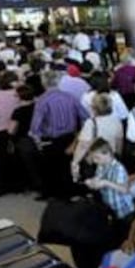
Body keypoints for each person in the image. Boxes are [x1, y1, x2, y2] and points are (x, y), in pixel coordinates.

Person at [30, 70, 89, 199]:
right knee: (68, 168)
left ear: (43, 83)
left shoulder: (42, 101)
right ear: (58, 81)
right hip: (71, 138)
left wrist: (37, 141)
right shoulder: (70, 97)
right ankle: (70, 193)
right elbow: (86, 117)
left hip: (51, 141)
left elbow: (35, 127)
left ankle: (55, 196)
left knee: (52, 170)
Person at [85, 138, 135, 232]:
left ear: (107, 154)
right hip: (111, 209)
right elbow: (98, 178)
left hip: (124, 212)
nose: (95, 161)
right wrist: (92, 182)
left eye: (97, 157)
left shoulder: (119, 168)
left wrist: (106, 183)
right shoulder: (101, 165)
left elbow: (125, 189)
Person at [71, 94, 124, 181]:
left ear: (94, 108)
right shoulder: (117, 121)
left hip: (95, 161)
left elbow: (83, 146)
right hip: (110, 158)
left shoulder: (91, 123)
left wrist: (75, 162)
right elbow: (119, 144)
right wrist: (117, 159)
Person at [8, 85, 42, 192]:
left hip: (25, 141)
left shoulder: (18, 111)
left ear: (19, 97)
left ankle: (36, 186)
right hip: (40, 138)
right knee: (40, 163)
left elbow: (11, 130)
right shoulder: (38, 106)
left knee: (30, 165)